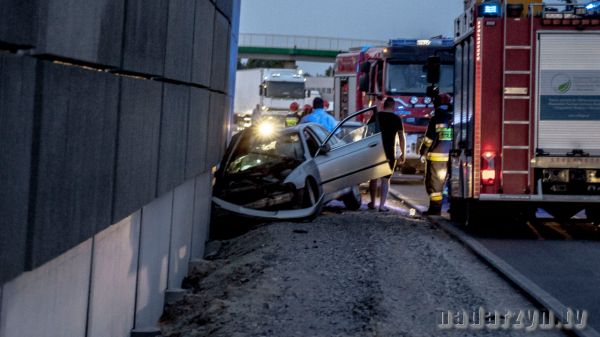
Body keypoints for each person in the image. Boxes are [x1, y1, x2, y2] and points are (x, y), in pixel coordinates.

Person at [368, 97, 406, 212]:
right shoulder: (396, 118)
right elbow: (401, 137)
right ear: (393, 106)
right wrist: (403, 153)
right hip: (389, 152)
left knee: (373, 178)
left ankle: (373, 203)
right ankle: (382, 206)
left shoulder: (376, 116)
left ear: (384, 105)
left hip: (375, 150)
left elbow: (367, 131)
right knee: (385, 179)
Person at [419, 93, 453, 216]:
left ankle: (435, 209)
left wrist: (422, 152)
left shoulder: (436, 118)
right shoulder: (452, 117)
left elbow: (429, 139)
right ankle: (451, 206)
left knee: (435, 184)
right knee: (451, 182)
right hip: (451, 156)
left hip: (436, 158)